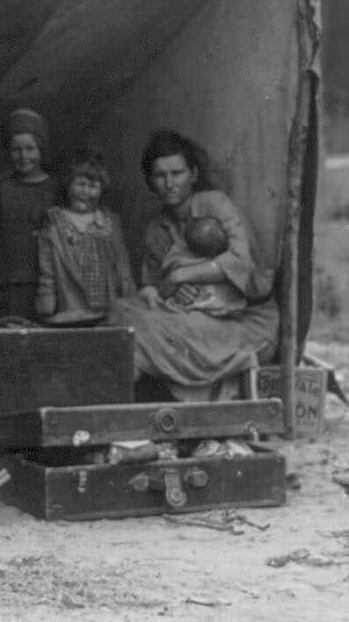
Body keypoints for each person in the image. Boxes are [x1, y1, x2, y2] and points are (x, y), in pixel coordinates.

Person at [109, 128, 279, 417]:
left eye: (177, 173)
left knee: (141, 334)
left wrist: (181, 277)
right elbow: (153, 285)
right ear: (150, 181)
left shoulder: (214, 205)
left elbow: (239, 261)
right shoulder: (156, 230)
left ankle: (135, 412)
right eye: (160, 175)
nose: (169, 183)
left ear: (194, 175)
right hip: (187, 313)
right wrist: (167, 289)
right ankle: (122, 411)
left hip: (242, 321)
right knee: (122, 313)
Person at [34, 148, 136, 326]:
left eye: (93, 186)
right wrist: (46, 300)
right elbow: (47, 268)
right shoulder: (55, 223)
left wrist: (130, 299)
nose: (86, 192)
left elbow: (123, 265)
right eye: (80, 184)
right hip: (72, 309)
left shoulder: (109, 222)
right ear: (68, 184)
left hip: (107, 309)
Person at [0, 108, 57, 321]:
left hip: (47, 281)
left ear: (41, 149)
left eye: (30, 149)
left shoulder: (55, 188)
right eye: (16, 150)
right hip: (9, 282)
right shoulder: (0, 190)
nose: (24, 156)